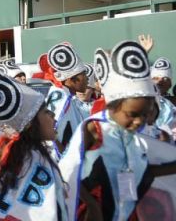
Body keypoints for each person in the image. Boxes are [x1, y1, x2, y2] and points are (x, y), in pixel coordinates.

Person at [60, 41, 176, 220]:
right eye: (132, 114)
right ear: (114, 106)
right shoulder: (94, 127)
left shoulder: (136, 133)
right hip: (95, 208)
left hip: (125, 204)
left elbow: (143, 170)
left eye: (145, 115)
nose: (139, 121)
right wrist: (90, 203)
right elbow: (67, 171)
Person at [0, 73, 67, 220]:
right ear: (31, 124)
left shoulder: (24, 156)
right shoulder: (28, 159)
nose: (53, 116)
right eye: (46, 112)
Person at [41, 42, 89, 154]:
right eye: (84, 75)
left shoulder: (68, 96)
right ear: (72, 79)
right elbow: (47, 131)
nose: (87, 79)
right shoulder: (60, 96)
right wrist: (63, 158)